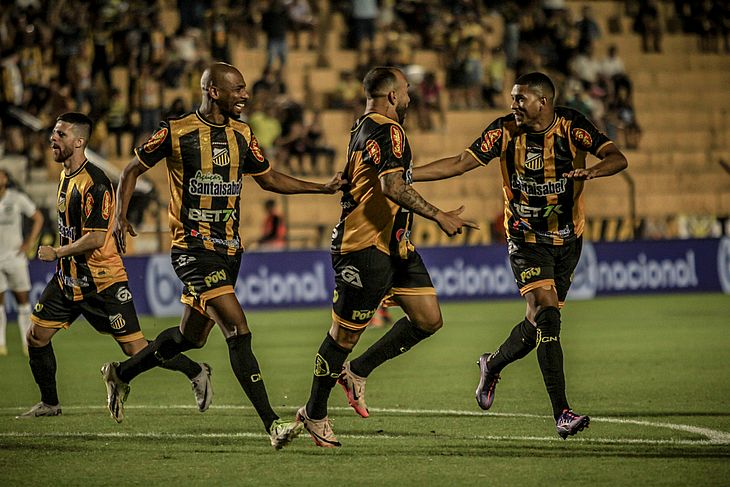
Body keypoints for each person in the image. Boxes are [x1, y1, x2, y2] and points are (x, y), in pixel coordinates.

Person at [105, 62, 344, 450]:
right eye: (238, 89)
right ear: (213, 91)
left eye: (245, 89)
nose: (245, 96)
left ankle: (121, 373)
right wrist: (119, 216)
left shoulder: (243, 134)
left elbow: (268, 177)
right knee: (238, 329)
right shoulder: (176, 131)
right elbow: (130, 170)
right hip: (192, 250)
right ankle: (273, 425)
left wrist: (321, 188)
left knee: (189, 338)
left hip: (230, 251)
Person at [413, 72, 628, 439]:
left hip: (567, 238)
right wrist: (407, 175)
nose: (513, 104)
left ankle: (492, 364)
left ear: (543, 102)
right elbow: (460, 162)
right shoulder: (503, 131)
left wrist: (593, 171)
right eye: (513, 98)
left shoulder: (572, 125)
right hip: (525, 238)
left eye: (521, 98)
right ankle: (561, 412)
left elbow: (616, 157)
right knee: (547, 315)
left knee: (536, 323)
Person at [294, 66, 477, 448]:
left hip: (395, 246)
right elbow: (392, 186)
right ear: (392, 96)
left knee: (428, 319)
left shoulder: (361, 126)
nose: (410, 98)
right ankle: (314, 413)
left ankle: (357, 372)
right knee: (343, 335)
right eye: (407, 91)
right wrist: (439, 215)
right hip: (364, 248)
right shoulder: (390, 130)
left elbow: (365, 179)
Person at [17, 112, 212, 419]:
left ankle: (196, 371)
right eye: (53, 133)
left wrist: (57, 251)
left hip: (103, 281)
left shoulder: (94, 183)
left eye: (61, 134)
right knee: (35, 336)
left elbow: (95, 239)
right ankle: (50, 403)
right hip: (67, 280)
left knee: (135, 350)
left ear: (79, 141)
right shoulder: (66, 175)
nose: (53, 138)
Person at [0, 169, 44, 356]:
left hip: (15, 258)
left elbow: (38, 218)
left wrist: (29, 243)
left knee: (23, 303)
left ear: (6, 179)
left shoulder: (16, 198)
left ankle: (27, 343)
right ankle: (1, 344)